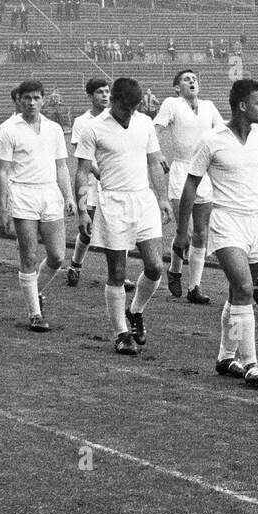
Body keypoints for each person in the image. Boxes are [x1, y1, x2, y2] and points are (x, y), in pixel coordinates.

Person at [175, 79, 258, 388]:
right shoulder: (212, 139)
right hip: (227, 224)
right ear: (242, 105)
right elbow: (191, 185)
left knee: (237, 294)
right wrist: (183, 232)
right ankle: (251, 363)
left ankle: (225, 355)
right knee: (245, 288)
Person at [75, 77, 172, 355]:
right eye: (124, 107)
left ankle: (136, 311)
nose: (128, 113)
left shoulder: (144, 123)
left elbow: (154, 161)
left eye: (133, 108)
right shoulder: (94, 129)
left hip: (143, 200)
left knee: (155, 267)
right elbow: (82, 172)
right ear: (113, 101)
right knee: (117, 272)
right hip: (113, 202)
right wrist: (82, 210)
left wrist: (163, 198)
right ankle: (121, 334)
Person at [0, 80, 76, 331]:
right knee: (28, 255)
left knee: (57, 256)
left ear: (43, 100)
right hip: (22, 194)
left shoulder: (53, 129)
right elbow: (2, 171)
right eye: (27, 98)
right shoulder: (8, 129)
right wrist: (3, 207)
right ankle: (35, 314)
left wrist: (69, 196)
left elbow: (61, 165)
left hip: (50, 193)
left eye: (36, 98)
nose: (31, 102)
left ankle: (35, 293)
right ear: (19, 100)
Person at [154, 69, 226, 303]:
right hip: (181, 171)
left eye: (195, 78)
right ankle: (175, 269)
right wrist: (157, 154)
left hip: (204, 172)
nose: (192, 81)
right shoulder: (172, 104)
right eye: (186, 79)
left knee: (201, 233)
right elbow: (155, 129)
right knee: (184, 230)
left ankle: (194, 286)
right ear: (177, 88)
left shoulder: (208, 106)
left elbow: (223, 130)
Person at [65, 76, 112, 286]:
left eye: (107, 91)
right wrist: (97, 171)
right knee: (87, 228)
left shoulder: (115, 119)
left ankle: (118, 273)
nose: (105, 95)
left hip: (113, 183)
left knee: (116, 227)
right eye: (100, 92)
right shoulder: (82, 122)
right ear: (90, 96)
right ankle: (75, 264)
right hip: (91, 182)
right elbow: (80, 152)